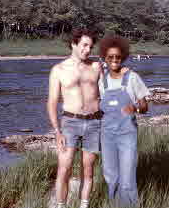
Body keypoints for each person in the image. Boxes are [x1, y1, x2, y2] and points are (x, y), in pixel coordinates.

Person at [48, 28, 103, 208]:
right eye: (84, 45)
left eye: (90, 47)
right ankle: (60, 206)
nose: (88, 50)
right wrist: (57, 131)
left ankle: (84, 205)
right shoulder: (59, 70)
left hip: (95, 123)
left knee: (88, 171)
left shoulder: (96, 67)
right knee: (64, 169)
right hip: (70, 123)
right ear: (73, 44)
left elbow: (106, 96)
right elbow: (52, 102)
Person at [98, 35, 150, 207]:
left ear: (123, 57)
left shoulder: (132, 77)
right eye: (110, 57)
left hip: (127, 134)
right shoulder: (101, 80)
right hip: (107, 136)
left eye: (118, 57)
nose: (114, 60)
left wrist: (134, 108)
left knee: (127, 180)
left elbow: (145, 107)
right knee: (111, 177)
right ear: (104, 58)